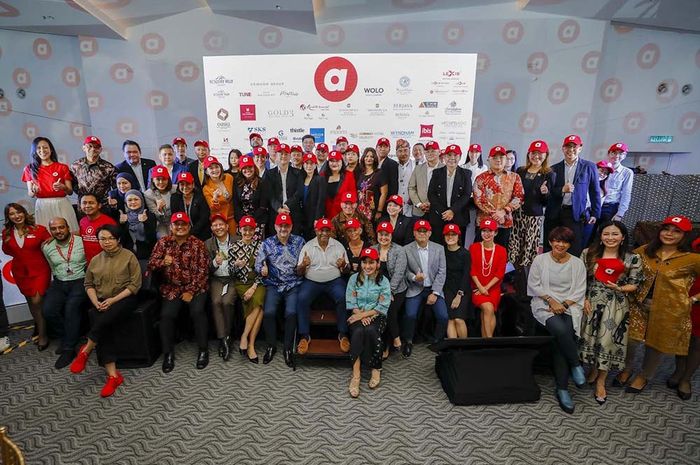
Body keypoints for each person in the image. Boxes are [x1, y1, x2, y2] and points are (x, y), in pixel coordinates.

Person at [620, 215, 700, 396]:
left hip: (669, 311)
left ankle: (644, 376)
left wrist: (693, 299)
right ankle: (627, 369)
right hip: (638, 304)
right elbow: (625, 265)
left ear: (685, 235)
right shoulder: (645, 250)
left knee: (655, 345)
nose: (669, 234)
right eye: (666, 229)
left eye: (676, 231)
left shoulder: (692, 258)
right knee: (630, 340)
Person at [69, 224, 141, 398]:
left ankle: (86, 350)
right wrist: (95, 302)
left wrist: (112, 300)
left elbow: (135, 285)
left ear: (118, 239)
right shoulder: (95, 260)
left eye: (110, 238)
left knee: (101, 321)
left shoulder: (128, 256)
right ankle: (113, 376)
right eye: (103, 239)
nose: (107, 242)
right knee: (102, 324)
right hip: (101, 301)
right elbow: (88, 284)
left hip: (124, 298)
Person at [579, 221, 642, 404]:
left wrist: (620, 288)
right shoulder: (588, 253)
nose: (610, 238)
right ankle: (593, 369)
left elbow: (635, 284)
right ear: (600, 236)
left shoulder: (632, 258)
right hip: (591, 302)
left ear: (623, 237)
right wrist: (583, 298)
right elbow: (580, 279)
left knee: (607, 340)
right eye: (606, 234)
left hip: (615, 304)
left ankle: (601, 381)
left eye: (615, 234)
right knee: (591, 337)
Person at [528, 226, 588, 413]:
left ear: (570, 244)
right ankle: (576, 365)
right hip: (544, 304)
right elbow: (534, 285)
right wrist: (552, 301)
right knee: (562, 331)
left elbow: (580, 290)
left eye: (565, 242)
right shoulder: (540, 260)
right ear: (550, 241)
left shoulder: (577, 263)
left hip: (570, 306)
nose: (560, 244)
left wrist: (564, 305)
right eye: (557, 240)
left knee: (562, 339)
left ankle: (562, 389)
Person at [148, 212, 211, 373]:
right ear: (171, 226)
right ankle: (168, 354)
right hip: (172, 288)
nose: (180, 227)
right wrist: (163, 262)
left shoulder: (198, 244)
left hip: (195, 287)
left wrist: (191, 291)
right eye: (177, 224)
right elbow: (151, 264)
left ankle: (203, 350)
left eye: (184, 224)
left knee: (197, 312)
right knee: (166, 316)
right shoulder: (163, 243)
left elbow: (203, 271)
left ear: (189, 227)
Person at [255, 213, 305, 367]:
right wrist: (262, 268)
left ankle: (288, 348)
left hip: (293, 284)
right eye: (280, 226)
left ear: (291, 227)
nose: (283, 228)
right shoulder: (267, 243)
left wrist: (304, 266)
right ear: (275, 227)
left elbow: (305, 263)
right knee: (269, 312)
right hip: (274, 284)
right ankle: (271, 346)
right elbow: (258, 264)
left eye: (286, 226)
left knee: (291, 313)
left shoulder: (299, 241)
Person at [296, 218, 350, 354]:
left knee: (343, 297)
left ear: (331, 232)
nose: (324, 233)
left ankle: (343, 334)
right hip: (312, 281)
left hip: (334, 281)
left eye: (327, 230)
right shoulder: (308, 246)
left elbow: (347, 270)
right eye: (321, 230)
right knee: (302, 298)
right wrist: (303, 265)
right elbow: (299, 272)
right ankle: (304, 336)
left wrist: (344, 265)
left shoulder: (338, 246)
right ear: (316, 231)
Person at [2, 203, 51, 350]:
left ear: (24, 213)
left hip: (40, 270)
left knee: (37, 301)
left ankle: (43, 335)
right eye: (12, 214)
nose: (16, 216)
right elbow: (7, 251)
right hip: (20, 272)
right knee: (30, 301)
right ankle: (39, 326)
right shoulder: (6, 233)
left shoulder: (39, 229)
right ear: (8, 217)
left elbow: (50, 244)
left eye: (19, 212)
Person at [509, 140, 555, 294]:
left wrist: (545, 193)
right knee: (515, 247)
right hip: (517, 215)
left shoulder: (549, 174)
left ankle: (527, 286)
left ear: (545, 155)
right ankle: (516, 279)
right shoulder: (520, 171)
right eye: (533, 153)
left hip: (533, 217)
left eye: (540, 154)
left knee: (529, 250)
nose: (536, 156)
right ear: (529, 154)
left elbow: (548, 201)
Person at [42, 217, 89, 368]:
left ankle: (69, 348)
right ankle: (69, 336)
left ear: (68, 227)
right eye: (54, 229)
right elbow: (52, 267)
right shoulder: (47, 247)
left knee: (71, 308)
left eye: (61, 227)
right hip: (59, 281)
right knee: (48, 310)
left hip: (80, 280)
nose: (58, 231)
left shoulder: (82, 242)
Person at [544, 135, 601, 257]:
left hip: (575, 214)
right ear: (563, 148)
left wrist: (595, 213)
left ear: (580, 148)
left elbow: (595, 191)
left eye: (574, 147)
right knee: (551, 245)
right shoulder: (553, 168)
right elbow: (551, 192)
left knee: (574, 247)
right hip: (555, 212)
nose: (570, 150)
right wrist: (562, 190)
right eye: (567, 147)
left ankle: (570, 268)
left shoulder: (589, 167)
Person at [346, 247, 391, 398]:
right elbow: (351, 302)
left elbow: (382, 306)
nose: (367, 266)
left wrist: (364, 315)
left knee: (371, 330)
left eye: (371, 262)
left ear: (378, 263)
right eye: (364, 262)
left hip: (377, 315)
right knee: (358, 331)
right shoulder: (353, 279)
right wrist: (360, 315)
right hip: (356, 314)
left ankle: (376, 368)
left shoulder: (383, 281)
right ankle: (356, 375)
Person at [403, 219, 448, 356]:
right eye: (419, 231)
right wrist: (414, 278)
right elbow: (405, 271)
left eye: (425, 231)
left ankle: (437, 341)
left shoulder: (439, 249)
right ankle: (408, 341)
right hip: (415, 288)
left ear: (430, 233)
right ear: (414, 233)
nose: (422, 234)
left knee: (443, 316)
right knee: (410, 315)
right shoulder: (406, 249)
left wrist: (435, 292)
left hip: (433, 288)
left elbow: (442, 272)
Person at [473, 145, 524, 249]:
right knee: (480, 251)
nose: (498, 160)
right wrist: (495, 214)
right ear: (489, 159)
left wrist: (504, 211)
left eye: (501, 157)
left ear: (505, 159)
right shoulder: (481, 178)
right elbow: (478, 199)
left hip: (505, 222)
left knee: (501, 252)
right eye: (494, 157)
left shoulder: (515, 177)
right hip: (484, 222)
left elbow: (519, 197)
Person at [229, 216, 265, 363]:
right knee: (259, 308)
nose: (248, 232)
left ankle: (246, 337)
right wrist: (237, 266)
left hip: (258, 283)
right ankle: (250, 345)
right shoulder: (234, 247)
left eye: (251, 229)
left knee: (258, 300)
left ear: (255, 230)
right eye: (245, 229)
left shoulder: (261, 246)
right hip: (242, 283)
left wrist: (254, 286)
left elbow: (263, 270)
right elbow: (231, 273)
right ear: (240, 230)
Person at [23, 136, 78, 232]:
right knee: (46, 233)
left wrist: (63, 187)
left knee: (68, 231)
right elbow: (30, 194)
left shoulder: (62, 167)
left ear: (51, 149)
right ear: (34, 151)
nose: (42, 150)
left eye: (45, 147)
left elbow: (70, 192)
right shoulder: (29, 169)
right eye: (39, 148)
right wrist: (34, 191)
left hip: (61, 204)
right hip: (42, 205)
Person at [667, 237, 700, 400]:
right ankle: (679, 371)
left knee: (697, 343)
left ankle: (686, 379)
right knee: (682, 338)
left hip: (696, 301)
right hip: (685, 299)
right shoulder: (694, 244)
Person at [372, 221, 407, 358]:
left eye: (386, 235)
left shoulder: (399, 250)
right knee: (383, 308)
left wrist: (389, 292)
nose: (383, 238)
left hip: (397, 290)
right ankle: (394, 338)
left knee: (388, 308)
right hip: (377, 289)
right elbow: (369, 272)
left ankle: (388, 344)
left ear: (391, 236)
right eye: (381, 234)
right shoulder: (373, 249)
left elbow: (399, 273)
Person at [205, 214, 236, 361]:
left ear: (227, 226)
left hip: (232, 278)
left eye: (221, 224)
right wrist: (214, 262)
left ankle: (227, 335)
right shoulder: (208, 244)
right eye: (215, 225)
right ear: (212, 228)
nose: (218, 227)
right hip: (217, 278)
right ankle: (223, 339)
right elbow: (206, 268)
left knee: (227, 302)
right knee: (216, 302)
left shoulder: (237, 240)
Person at [469, 219, 507, 338]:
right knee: (488, 308)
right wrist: (480, 287)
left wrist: (486, 288)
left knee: (488, 311)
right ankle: (489, 341)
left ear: (495, 233)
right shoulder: (473, 247)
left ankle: (485, 341)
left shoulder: (501, 250)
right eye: (484, 231)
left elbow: (500, 273)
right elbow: (472, 270)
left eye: (490, 231)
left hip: (493, 289)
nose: (487, 234)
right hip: (477, 287)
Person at [427, 144, 472, 245]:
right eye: (449, 155)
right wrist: (444, 212)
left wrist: (452, 211)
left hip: (459, 216)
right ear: (444, 157)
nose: (452, 158)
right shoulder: (436, 173)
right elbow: (431, 194)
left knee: (457, 247)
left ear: (460, 157)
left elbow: (466, 195)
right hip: (439, 216)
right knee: (438, 246)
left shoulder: (466, 173)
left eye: (455, 155)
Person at [264, 143, 304, 236]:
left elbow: (299, 192)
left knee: (294, 240)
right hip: (275, 212)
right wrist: (278, 208)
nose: (283, 156)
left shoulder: (298, 173)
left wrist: (287, 205)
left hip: (293, 212)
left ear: (290, 156)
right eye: (281, 154)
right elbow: (270, 194)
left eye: (286, 154)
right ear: (276, 155)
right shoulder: (269, 174)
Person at [117, 190, 157, 277]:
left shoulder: (149, 215)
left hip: (146, 255)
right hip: (129, 255)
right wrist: (121, 224)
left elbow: (152, 239)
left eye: (136, 199)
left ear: (141, 200)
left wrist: (146, 222)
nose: (133, 202)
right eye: (130, 200)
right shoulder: (124, 216)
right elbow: (122, 241)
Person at [443, 224, 472, 339]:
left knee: (458, 319)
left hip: (462, 289)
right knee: (450, 319)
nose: (450, 237)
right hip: (447, 289)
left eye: (453, 234)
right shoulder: (442, 252)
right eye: (448, 234)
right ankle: (454, 347)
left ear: (458, 236)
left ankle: (464, 346)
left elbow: (466, 275)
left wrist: (459, 295)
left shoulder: (465, 253)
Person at [70, 135, 116, 205]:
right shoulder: (75, 166)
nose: (93, 149)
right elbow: (73, 185)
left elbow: (115, 188)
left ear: (100, 150)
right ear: (83, 148)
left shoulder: (108, 167)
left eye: (96, 147)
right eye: (90, 146)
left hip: (103, 205)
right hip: (83, 206)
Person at [233, 155, 268, 241]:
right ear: (241, 170)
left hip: (257, 220)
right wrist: (242, 220)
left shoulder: (261, 182)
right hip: (241, 220)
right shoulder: (237, 182)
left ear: (254, 167)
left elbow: (263, 206)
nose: (247, 170)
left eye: (250, 167)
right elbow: (236, 204)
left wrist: (250, 220)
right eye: (244, 168)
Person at [315, 151, 357, 220]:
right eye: (331, 161)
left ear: (341, 162)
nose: (334, 163)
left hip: (343, 216)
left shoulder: (349, 175)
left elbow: (353, 195)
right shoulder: (322, 176)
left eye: (337, 161)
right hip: (325, 216)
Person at [170, 172, 211, 241]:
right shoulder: (175, 198)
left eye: (188, 184)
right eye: (182, 184)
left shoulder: (200, 197)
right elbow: (174, 218)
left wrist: (190, 233)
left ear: (193, 184)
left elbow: (204, 218)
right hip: (181, 232)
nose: (185, 187)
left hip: (201, 233)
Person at [202, 155, 236, 236]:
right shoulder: (206, 188)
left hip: (232, 218)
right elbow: (212, 208)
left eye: (216, 167)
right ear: (206, 172)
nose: (215, 170)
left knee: (234, 240)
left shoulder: (229, 177)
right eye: (211, 168)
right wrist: (215, 198)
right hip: (218, 221)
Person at [408, 140, 443, 218]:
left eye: (433, 151)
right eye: (427, 151)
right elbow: (411, 188)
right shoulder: (418, 168)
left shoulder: (445, 168)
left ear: (439, 152)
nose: (430, 153)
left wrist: (434, 204)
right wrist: (419, 204)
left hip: (439, 211)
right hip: (419, 211)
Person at [79, 194, 117, 264]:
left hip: (106, 263)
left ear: (99, 205)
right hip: (89, 264)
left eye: (91, 203)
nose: (87, 206)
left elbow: (115, 245)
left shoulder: (109, 222)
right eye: (84, 203)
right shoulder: (82, 221)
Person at [601, 142, 633, 223]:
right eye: (614, 153)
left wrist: (620, 214)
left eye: (620, 154)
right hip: (594, 206)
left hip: (610, 208)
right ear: (609, 154)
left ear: (624, 156)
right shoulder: (599, 168)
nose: (617, 156)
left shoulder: (627, 172)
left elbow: (626, 194)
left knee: (606, 230)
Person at [356, 147, 388, 223]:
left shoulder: (380, 173)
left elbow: (384, 193)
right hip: (360, 210)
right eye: (367, 156)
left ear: (375, 159)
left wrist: (379, 211)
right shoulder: (360, 174)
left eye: (372, 156)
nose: (369, 158)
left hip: (373, 210)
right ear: (363, 158)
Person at [144, 165, 174, 238]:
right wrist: (159, 209)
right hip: (160, 222)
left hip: (174, 220)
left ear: (168, 179)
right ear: (153, 180)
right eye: (158, 179)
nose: (161, 182)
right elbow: (154, 215)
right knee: (163, 238)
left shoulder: (174, 189)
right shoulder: (148, 194)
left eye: (164, 179)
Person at [301, 153, 320, 240]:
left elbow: (321, 200)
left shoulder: (319, 179)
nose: (309, 166)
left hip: (313, 216)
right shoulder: (301, 178)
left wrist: (317, 218)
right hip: (302, 215)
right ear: (303, 165)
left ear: (315, 165)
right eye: (307, 163)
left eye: (311, 163)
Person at [396, 139, 414, 217]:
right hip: (395, 209)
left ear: (410, 151)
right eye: (400, 151)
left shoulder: (416, 166)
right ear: (396, 153)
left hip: (412, 209)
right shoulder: (393, 166)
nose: (403, 154)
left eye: (405, 150)